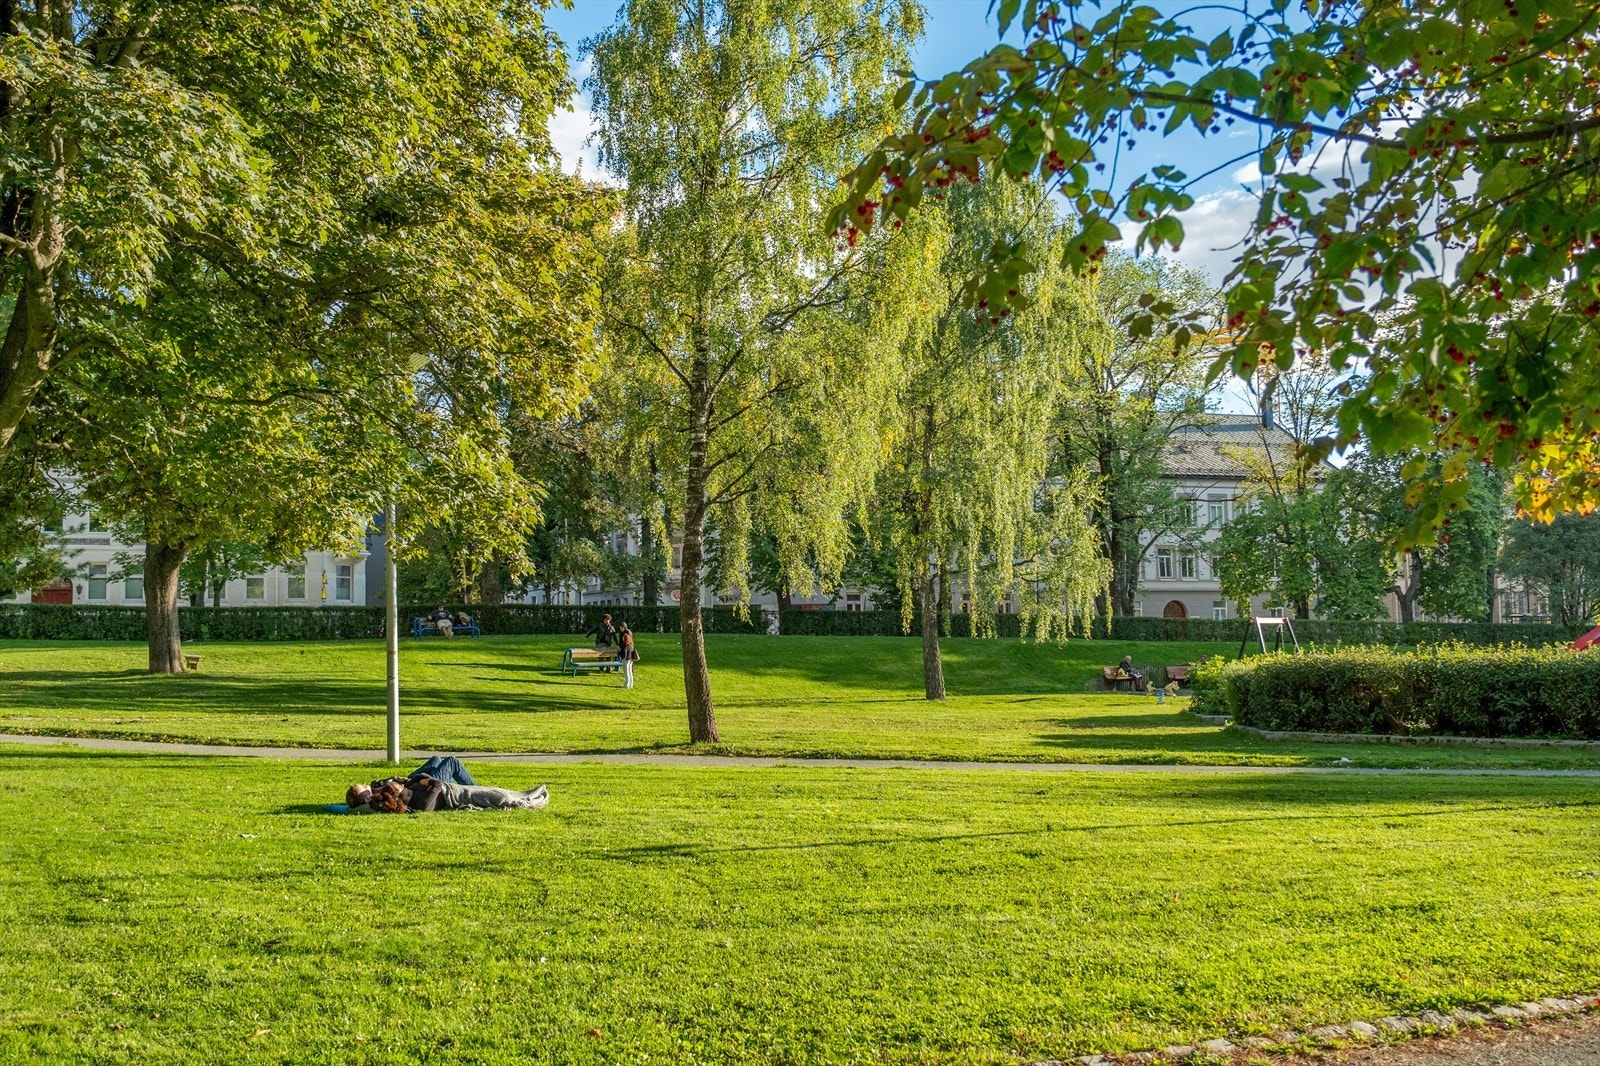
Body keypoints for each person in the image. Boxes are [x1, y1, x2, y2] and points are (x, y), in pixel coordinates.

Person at [345, 759, 547, 813]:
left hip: (436, 787)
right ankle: (526, 799)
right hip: (452, 792)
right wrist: (425, 781)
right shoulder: (412, 802)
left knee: (437, 760)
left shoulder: (388, 792)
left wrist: (412, 781)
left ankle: (523, 795)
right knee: (497, 795)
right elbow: (433, 791)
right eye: (360, 786)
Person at [617, 623, 640, 689]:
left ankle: (626, 685)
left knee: (627, 673)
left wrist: (620, 652)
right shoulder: (630, 645)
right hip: (630, 659)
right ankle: (631, 685)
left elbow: (624, 653)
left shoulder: (625, 646)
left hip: (626, 660)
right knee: (630, 672)